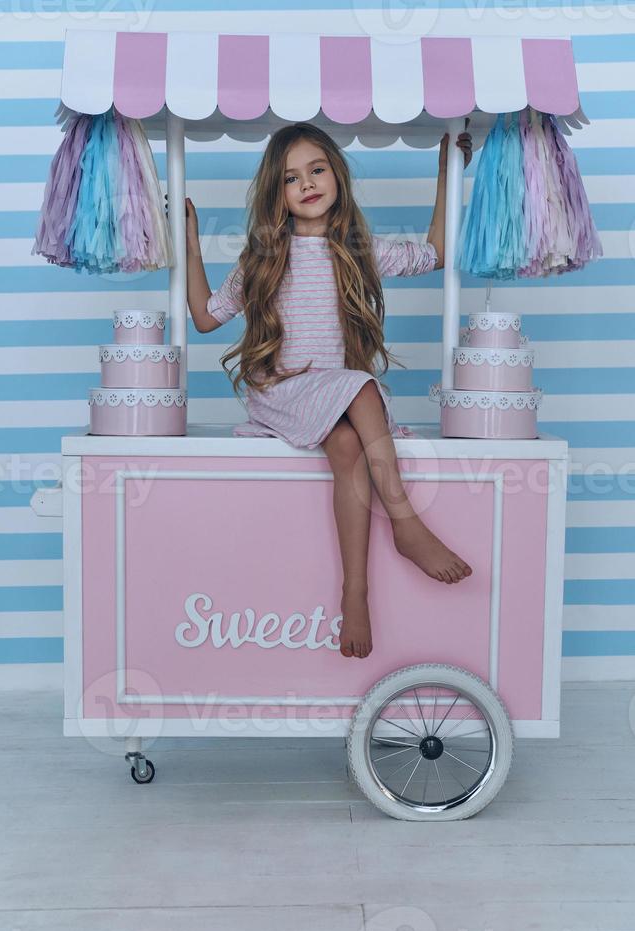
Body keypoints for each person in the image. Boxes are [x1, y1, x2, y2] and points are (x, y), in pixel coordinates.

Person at [182, 122, 473, 660]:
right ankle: (405, 523)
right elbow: (204, 318)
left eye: (316, 169)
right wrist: (192, 247)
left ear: (336, 174)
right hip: (284, 391)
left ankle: (354, 593)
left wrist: (444, 175)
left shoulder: (359, 252)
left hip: (336, 396)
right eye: (292, 178)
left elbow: (435, 252)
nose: (308, 183)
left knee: (347, 449)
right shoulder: (264, 259)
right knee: (363, 389)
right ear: (278, 193)